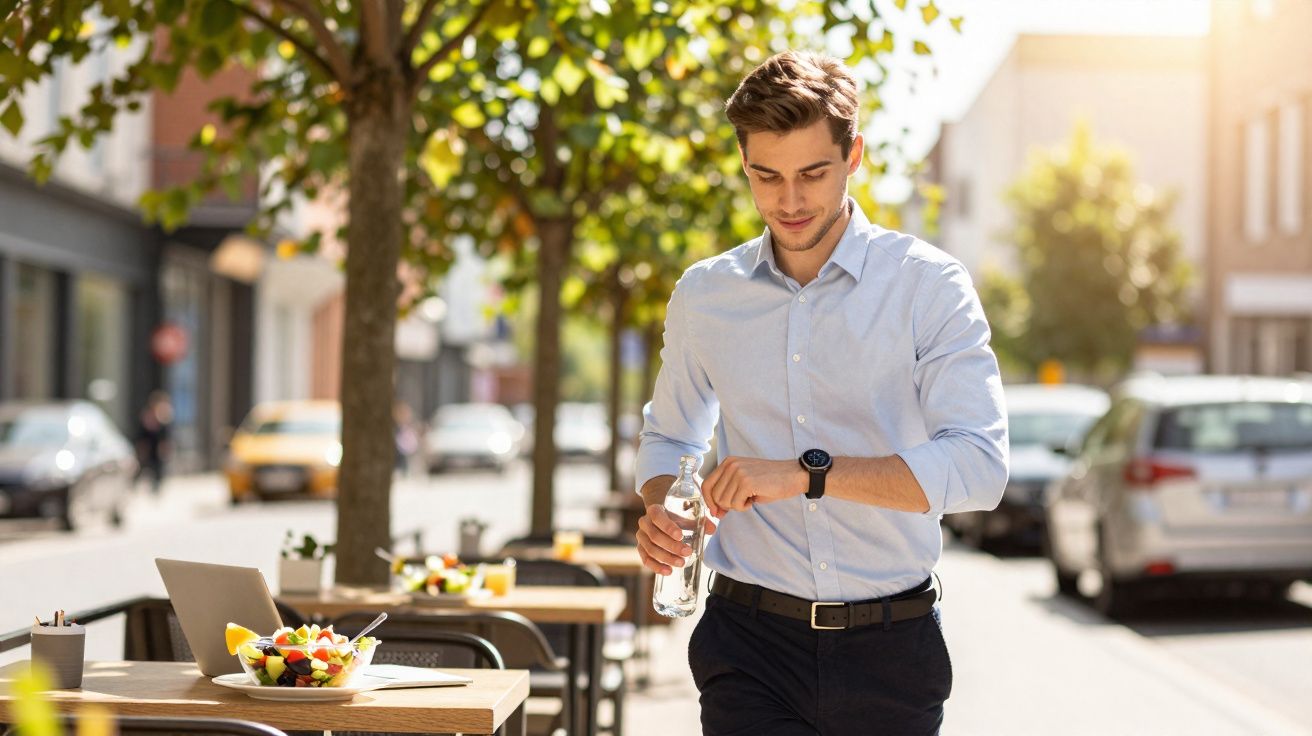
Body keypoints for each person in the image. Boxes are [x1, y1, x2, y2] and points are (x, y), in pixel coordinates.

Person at [633, 50, 1009, 735]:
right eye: (766, 176)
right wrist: (664, 507)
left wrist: (809, 475)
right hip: (748, 646)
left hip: (892, 651)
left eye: (812, 173)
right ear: (743, 163)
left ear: (853, 155)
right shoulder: (705, 296)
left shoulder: (928, 286)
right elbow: (670, 437)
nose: (789, 201)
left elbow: (979, 467)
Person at [135, 390, 174, 496]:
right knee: (143, 467)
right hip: (149, 447)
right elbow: (142, 433)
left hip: (157, 449)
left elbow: (165, 435)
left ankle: (156, 487)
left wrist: (165, 447)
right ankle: (135, 485)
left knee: (158, 468)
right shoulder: (148, 416)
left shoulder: (164, 416)